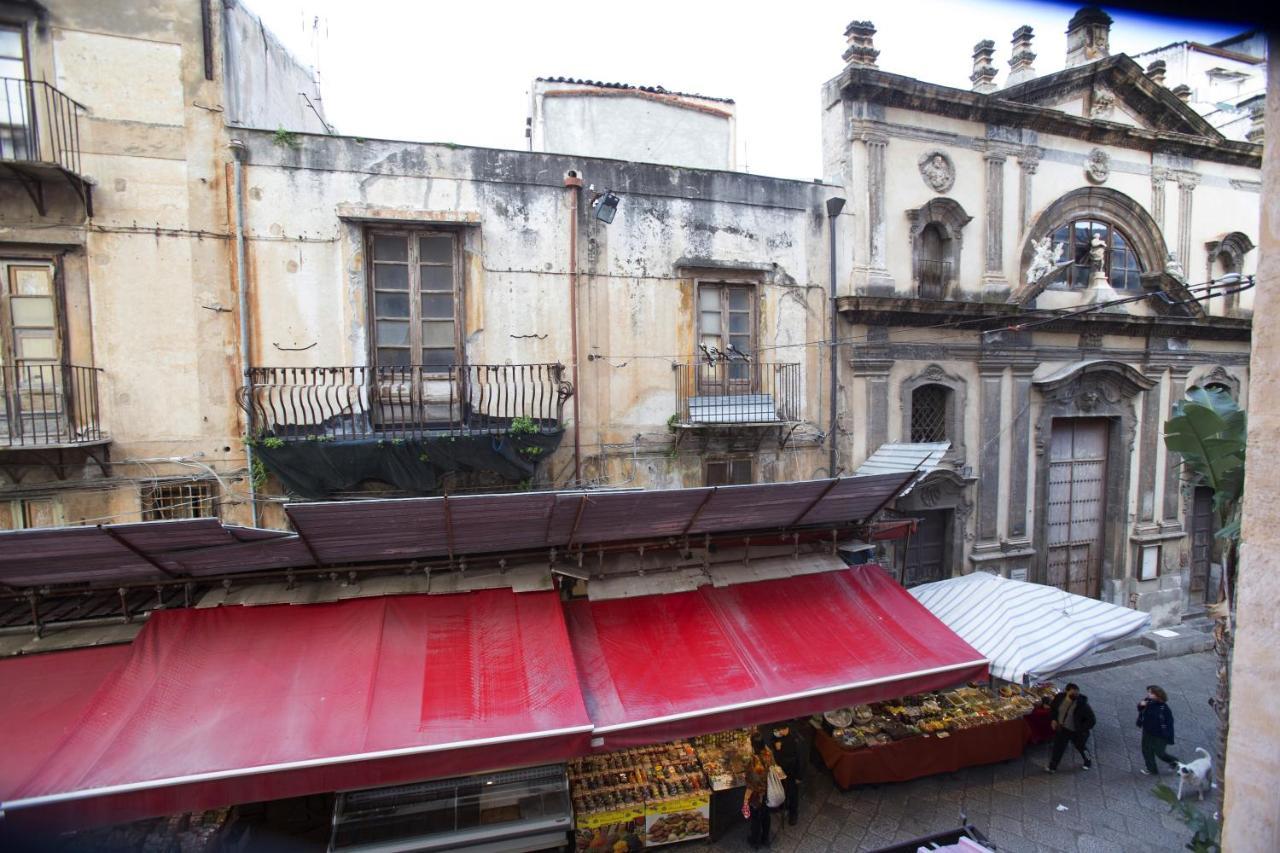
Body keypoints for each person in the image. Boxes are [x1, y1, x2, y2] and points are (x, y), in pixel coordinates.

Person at [1045, 683, 1096, 772]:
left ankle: (1087, 760)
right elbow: (1053, 709)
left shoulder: (1082, 705)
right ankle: (1052, 767)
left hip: (1075, 731)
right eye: (1072, 694)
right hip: (1062, 729)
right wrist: (1054, 719)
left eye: (1076, 694)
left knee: (1081, 747)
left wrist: (1081, 729)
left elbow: (1092, 720)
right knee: (1058, 748)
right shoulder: (1059, 698)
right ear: (1066, 691)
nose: (1075, 696)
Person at [765, 721, 803, 826]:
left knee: (793, 792)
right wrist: (775, 745)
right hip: (780, 767)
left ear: (787, 728)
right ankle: (782, 804)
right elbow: (772, 739)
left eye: (781, 730)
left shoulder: (795, 740)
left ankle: (793, 813)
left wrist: (799, 776)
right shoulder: (778, 734)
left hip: (792, 770)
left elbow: (800, 759)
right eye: (778, 730)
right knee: (782, 787)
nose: (779, 733)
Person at [1137, 685, 1180, 775]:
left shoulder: (1164, 708)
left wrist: (1167, 735)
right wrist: (1141, 705)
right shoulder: (1147, 701)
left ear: (1158, 695)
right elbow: (1140, 709)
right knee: (1146, 750)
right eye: (1148, 692)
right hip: (1147, 731)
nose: (1148, 694)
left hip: (1159, 735)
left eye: (1151, 693)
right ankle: (1151, 769)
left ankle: (1174, 761)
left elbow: (1169, 723)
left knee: (1160, 752)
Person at [743, 732, 774, 849]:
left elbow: (752, 783)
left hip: (757, 794)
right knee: (766, 815)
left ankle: (755, 841)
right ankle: (765, 838)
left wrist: (746, 798)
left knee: (756, 818)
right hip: (768, 790)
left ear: (753, 745)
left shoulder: (754, 762)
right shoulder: (768, 753)